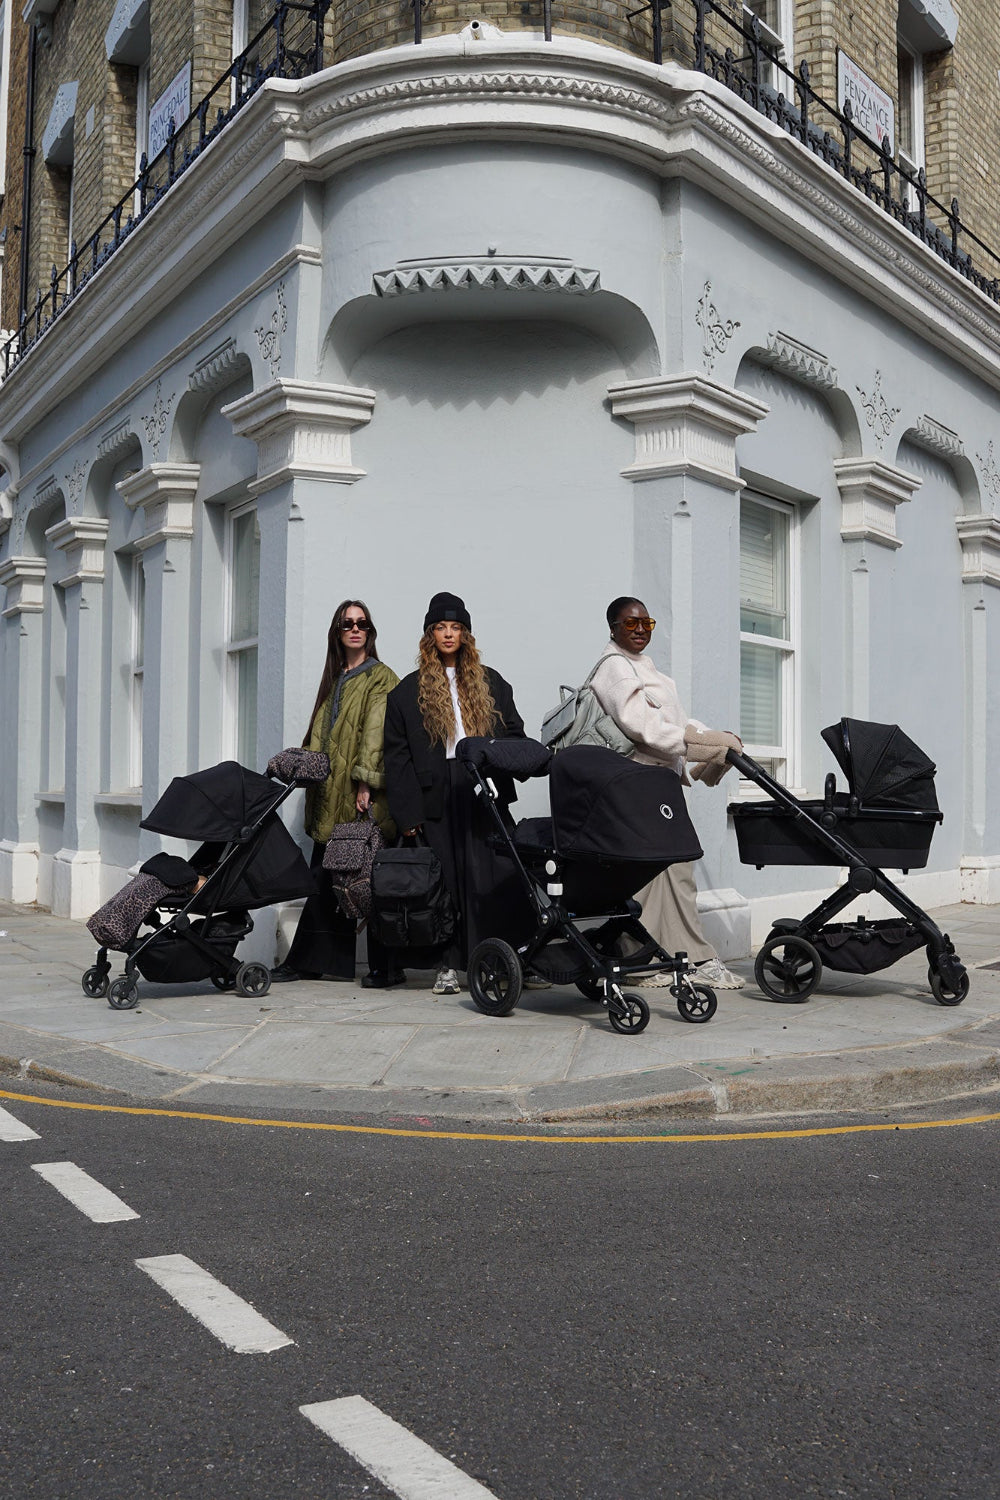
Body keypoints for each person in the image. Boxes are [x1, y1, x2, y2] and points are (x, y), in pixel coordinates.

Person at [383, 591, 538, 996]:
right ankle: (447, 967)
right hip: (437, 796)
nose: (448, 634)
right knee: (445, 882)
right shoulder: (407, 692)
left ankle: (499, 958)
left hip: (483, 788)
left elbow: (514, 734)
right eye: (440, 627)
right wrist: (409, 816)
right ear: (429, 635)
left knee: (493, 878)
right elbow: (396, 760)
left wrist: (509, 765)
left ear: (466, 635)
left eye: (455, 627)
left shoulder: (492, 682)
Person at [590, 595, 745, 989]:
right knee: (665, 872)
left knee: (669, 872)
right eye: (630, 623)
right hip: (637, 785)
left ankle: (665, 956)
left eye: (647, 623)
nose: (640, 629)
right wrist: (702, 744)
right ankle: (674, 957)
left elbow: (671, 719)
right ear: (613, 628)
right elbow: (644, 727)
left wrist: (713, 736)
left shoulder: (645, 667)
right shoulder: (615, 670)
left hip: (658, 785)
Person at [271, 600, 403, 988]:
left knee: (370, 877)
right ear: (338, 632)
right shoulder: (336, 679)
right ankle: (311, 960)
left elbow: (377, 733)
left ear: (370, 631)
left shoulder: (380, 677)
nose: (355, 629)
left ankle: (386, 966)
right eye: (347, 624)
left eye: (362, 623)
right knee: (327, 879)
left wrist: (366, 782)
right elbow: (320, 738)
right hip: (330, 797)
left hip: (360, 796)